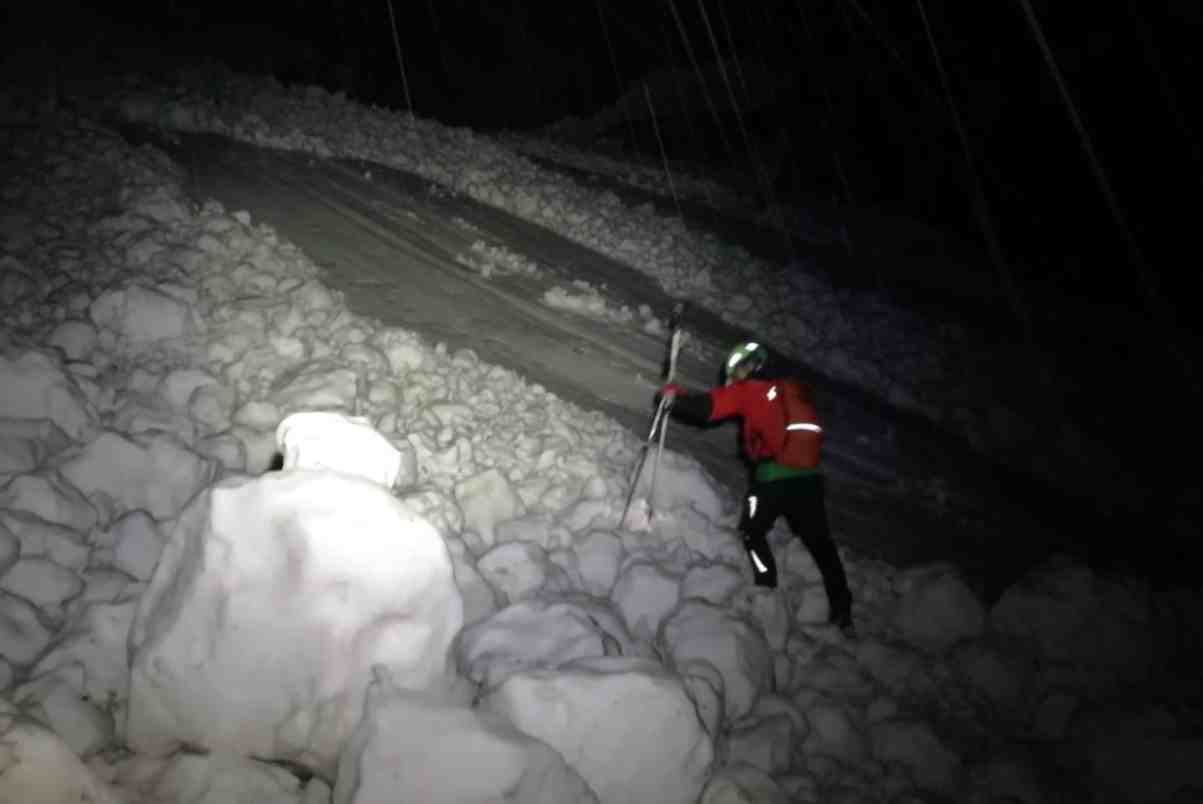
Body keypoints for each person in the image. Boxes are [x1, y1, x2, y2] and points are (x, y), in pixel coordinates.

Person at [660, 341, 855, 635]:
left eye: (737, 371)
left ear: (749, 367)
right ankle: (843, 613)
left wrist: (675, 398)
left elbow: (707, 408)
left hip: (772, 480)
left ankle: (766, 588)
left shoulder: (750, 390)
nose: (735, 378)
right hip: (809, 481)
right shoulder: (790, 389)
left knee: (752, 531)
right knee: (821, 544)